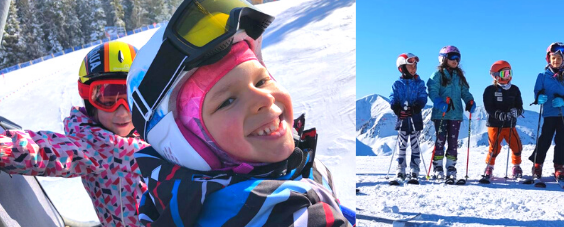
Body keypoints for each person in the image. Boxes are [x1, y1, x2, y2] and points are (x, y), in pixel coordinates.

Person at [126, 1, 352, 225]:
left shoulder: (173, 199)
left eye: (262, 80)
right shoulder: (284, 216)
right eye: (228, 101)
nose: (264, 98)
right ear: (181, 143)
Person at [0, 41, 149, 226]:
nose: (123, 112)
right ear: (89, 99)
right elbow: (44, 150)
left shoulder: (153, 131)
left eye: (132, 99)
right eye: (108, 100)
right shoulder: (92, 145)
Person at [530, 42, 564, 182]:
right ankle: (537, 164)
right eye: (553, 58)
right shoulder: (542, 76)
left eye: (559, 58)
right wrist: (539, 97)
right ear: (549, 60)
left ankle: (559, 166)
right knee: (545, 138)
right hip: (549, 112)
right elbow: (537, 91)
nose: (556, 61)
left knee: (562, 140)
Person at [427, 45, 476, 183]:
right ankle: (437, 167)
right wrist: (439, 102)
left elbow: (465, 91)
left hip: (455, 115)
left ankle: (451, 167)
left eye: (458, 58)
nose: (456, 60)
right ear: (443, 58)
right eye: (452, 57)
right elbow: (432, 91)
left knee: (453, 142)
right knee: (440, 140)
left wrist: (469, 101)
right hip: (441, 114)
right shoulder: (437, 75)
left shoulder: (459, 76)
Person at [481, 60, 524, 182]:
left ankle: (516, 167)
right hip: (494, 125)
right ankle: (489, 167)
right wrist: (498, 114)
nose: (508, 76)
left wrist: (517, 111)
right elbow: (489, 107)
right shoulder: (490, 90)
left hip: (510, 125)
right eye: (504, 73)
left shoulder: (514, 89)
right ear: (495, 75)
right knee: (494, 147)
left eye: (510, 73)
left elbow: (519, 105)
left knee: (517, 146)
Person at [389, 53, 428, 184]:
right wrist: (397, 109)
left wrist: (416, 107)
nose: (414, 68)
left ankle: (415, 169)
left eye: (415, 65)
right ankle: (400, 169)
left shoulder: (419, 83)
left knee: (415, 145)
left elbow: (423, 97)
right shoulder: (397, 84)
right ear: (402, 68)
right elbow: (393, 98)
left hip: (415, 118)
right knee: (402, 145)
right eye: (410, 65)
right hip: (403, 119)